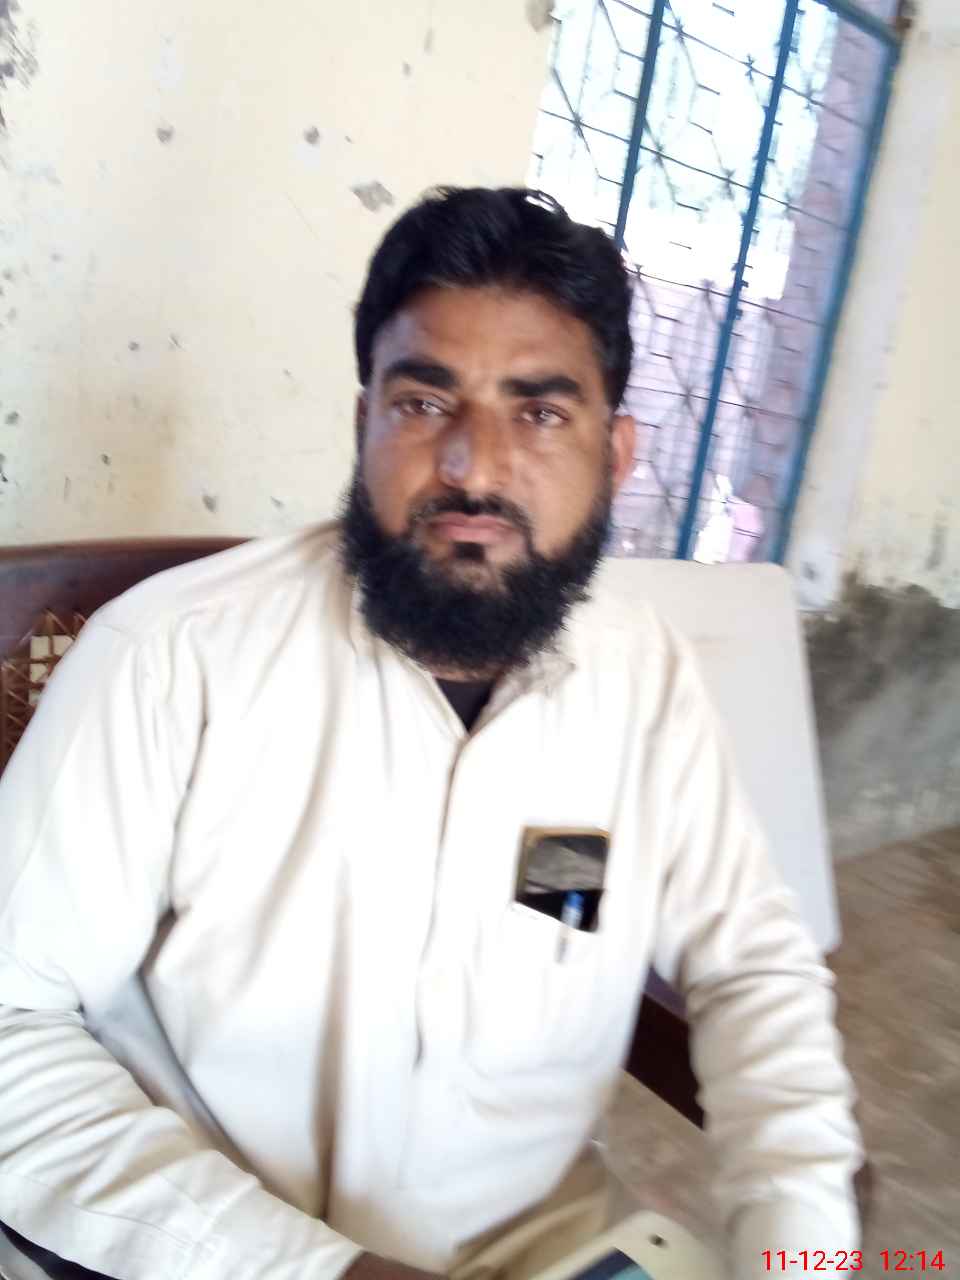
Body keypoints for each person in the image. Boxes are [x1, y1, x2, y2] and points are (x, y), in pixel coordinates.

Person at [0, 187, 862, 1280]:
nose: (474, 466)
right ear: (364, 422)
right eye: (423, 402)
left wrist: (803, 1240)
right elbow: (10, 1022)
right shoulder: (173, 658)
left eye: (540, 412)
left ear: (616, 454)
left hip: (548, 1247)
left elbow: (753, 965)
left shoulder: (646, 677)